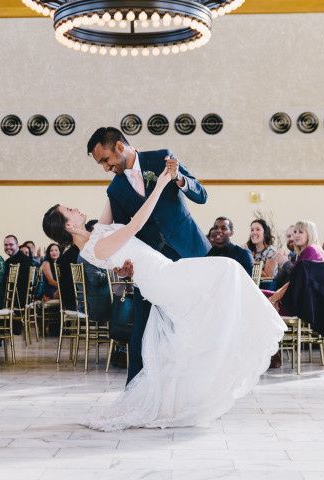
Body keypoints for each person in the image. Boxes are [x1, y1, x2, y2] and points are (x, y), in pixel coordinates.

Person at [42, 167, 285, 431]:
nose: (75, 209)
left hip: (163, 273)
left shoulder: (96, 233)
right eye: (69, 210)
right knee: (228, 269)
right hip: (162, 278)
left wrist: (126, 168)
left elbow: (111, 198)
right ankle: (261, 322)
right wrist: (159, 184)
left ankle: (184, 396)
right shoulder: (95, 247)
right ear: (68, 225)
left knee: (191, 331)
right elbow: (136, 224)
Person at [88, 126, 209, 384]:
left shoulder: (162, 158)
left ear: (120, 147)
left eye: (105, 160)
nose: (105, 168)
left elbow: (202, 195)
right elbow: (122, 234)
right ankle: (136, 389)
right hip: (152, 265)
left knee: (196, 322)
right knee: (141, 329)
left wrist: (179, 180)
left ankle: (199, 384)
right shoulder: (115, 190)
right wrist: (123, 271)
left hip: (189, 252)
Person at [267, 220, 324, 308]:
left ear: (309, 234)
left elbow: (298, 278)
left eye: (300, 232)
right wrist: (275, 296)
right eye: (295, 232)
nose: (296, 235)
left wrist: (285, 262)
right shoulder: (311, 250)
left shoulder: (310, 250)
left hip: (305, 302)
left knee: (259, 296)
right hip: (306, 299)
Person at [3, 235, 33, 309]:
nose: (8, 247)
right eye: (6, 245)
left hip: (17, 300)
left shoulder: (18, 261)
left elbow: (19, 283)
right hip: (22, 299)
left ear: (17, 245)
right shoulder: (22, 258)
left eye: (11, 244)